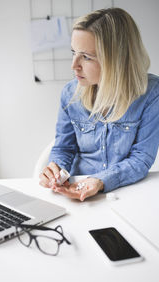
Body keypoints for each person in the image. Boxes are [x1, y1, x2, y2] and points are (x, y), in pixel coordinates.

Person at [39, 7, 159, 201]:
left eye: (86, 57)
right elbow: (64, 148)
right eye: (74, 53)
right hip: (77, 191)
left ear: (116, 59)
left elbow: (141, 159)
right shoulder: (70, 93)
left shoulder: (151, 93)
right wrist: (56, 169)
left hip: (126, 192)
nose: (74, 65)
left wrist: (100, 181)